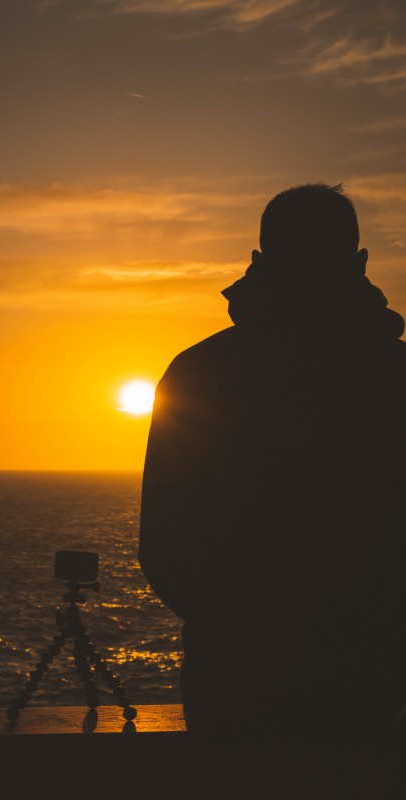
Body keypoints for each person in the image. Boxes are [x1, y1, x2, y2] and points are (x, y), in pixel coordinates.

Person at [139, 183, 406, 739]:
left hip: (235, 680)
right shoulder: (394, 376)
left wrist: (236, 631)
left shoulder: (197, 376)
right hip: (373, 681)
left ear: (259, 260)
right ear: (358, 262)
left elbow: (164, 544)